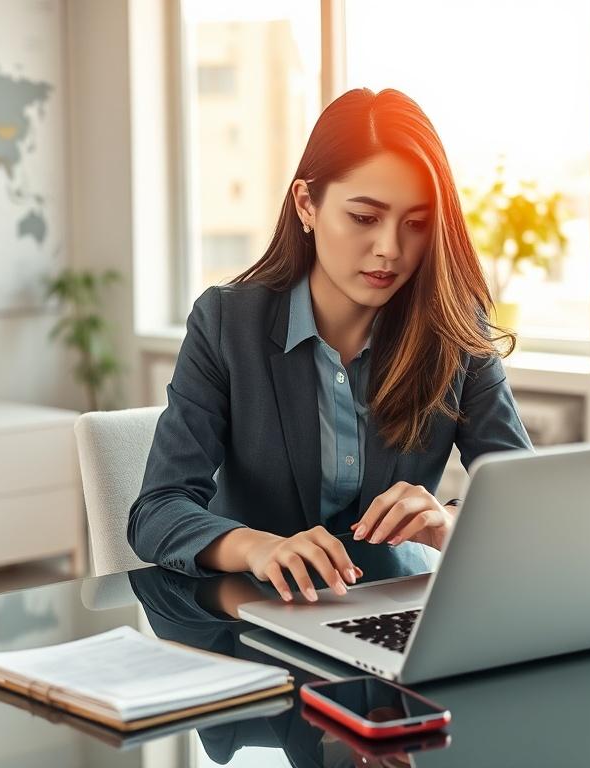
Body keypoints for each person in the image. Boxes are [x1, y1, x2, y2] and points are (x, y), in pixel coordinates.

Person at [128, 87, 532, 605]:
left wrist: (450, 523)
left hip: (395, 614)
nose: (390, 249)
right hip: (253, 617)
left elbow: (525, 500)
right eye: (364, 217)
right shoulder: (227, 324)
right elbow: (158, 510)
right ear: (307, 205)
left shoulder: (455, 331)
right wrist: (258, 547)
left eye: (415, 224)